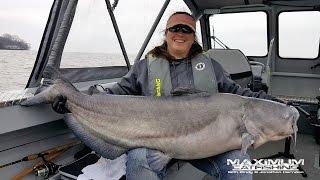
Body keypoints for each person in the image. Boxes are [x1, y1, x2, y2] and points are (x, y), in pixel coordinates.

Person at [53, 12, 279, 180]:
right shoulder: (145, 67)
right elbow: (119, 92)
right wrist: (74, 102)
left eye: (186, 30)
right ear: (166, 34)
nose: (180, 33)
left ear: (193, 37)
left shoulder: (211, 66)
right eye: (175, 29)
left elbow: (239, 95)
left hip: (206, 144)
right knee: (138, 161)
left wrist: (272, 102)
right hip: (156, 142)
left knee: (239, 165)